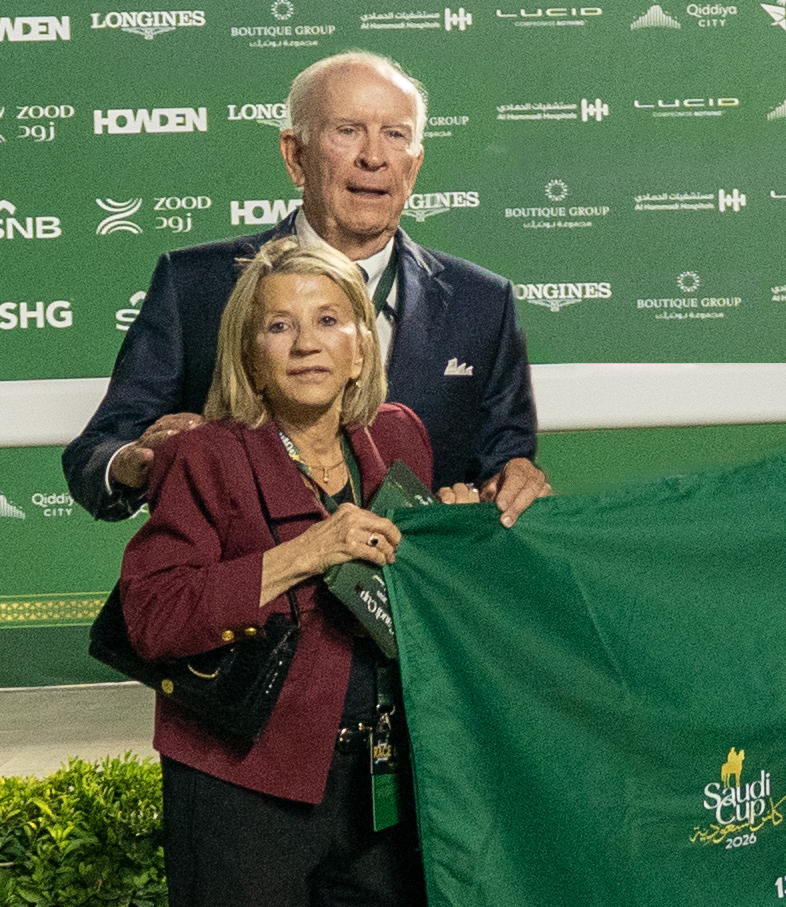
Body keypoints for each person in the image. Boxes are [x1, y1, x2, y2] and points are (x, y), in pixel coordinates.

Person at [120, 237, 476, 906]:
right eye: (279, 325)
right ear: (251, 358)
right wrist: (303, 554)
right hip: (241, 786)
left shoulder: (401, 435)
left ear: (361, 349)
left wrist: (457, 535)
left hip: (380, 784)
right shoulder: (204, 456)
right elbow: (152, 617)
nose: (307, 343)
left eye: (329, 320)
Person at [63, 50, 549, 527]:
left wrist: (512, 483)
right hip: (255, 576)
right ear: (295, 155)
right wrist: (138, 462)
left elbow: (503, 465)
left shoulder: (482, 303)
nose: (374, 157)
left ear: (415, 165)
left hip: (408, 578)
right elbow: (95, 455)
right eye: (348, 131)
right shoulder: (196, 286)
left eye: (395, 135)